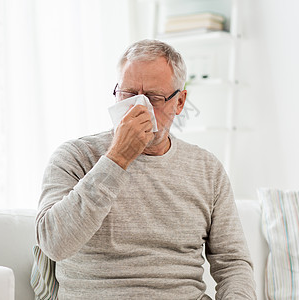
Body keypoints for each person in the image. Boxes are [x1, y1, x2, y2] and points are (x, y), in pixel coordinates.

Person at [35, 39, 256, 299]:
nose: (140, 108)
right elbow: (54, 244)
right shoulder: (75, 157)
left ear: (180, 102)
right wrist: (116, 158)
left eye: (153, 97)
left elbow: (233, 264)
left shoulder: (207, 169)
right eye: (128, 95)